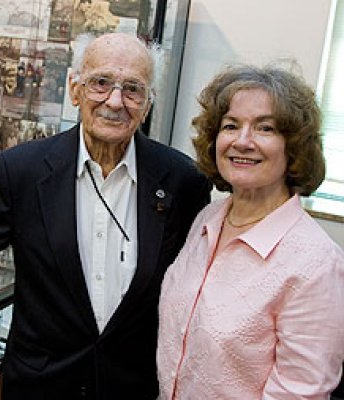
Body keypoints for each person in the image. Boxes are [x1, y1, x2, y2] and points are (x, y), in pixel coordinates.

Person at [0, 33, 210, 399]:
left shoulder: (183, 182)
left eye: (132, 89)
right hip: (41, 389)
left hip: (132, 390)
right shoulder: (23, 171)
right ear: (75, 89)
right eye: (100, 82)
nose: (115, 101)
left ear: (147, 105)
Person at [157, 64, 344, 399]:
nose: (243, 141)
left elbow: (299, 393)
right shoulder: (208, 219)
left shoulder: (316, 264)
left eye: (265, 128)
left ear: (295, 146)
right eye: (231, 125)